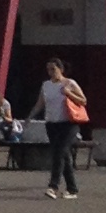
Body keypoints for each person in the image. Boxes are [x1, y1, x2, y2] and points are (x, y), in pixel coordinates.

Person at [37, 54, 87, 199]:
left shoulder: (69, 83)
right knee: (63, 155)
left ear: (61, 69)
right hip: (52, 124)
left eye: (53, 69)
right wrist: (30, 116)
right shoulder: (46, 85)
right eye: (48, 69)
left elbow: (83, 101)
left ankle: (53, 186)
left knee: (59, 153)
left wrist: (69, 93)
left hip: (68, 124)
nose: (50, 72)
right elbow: (40, 103)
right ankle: (72, 189)